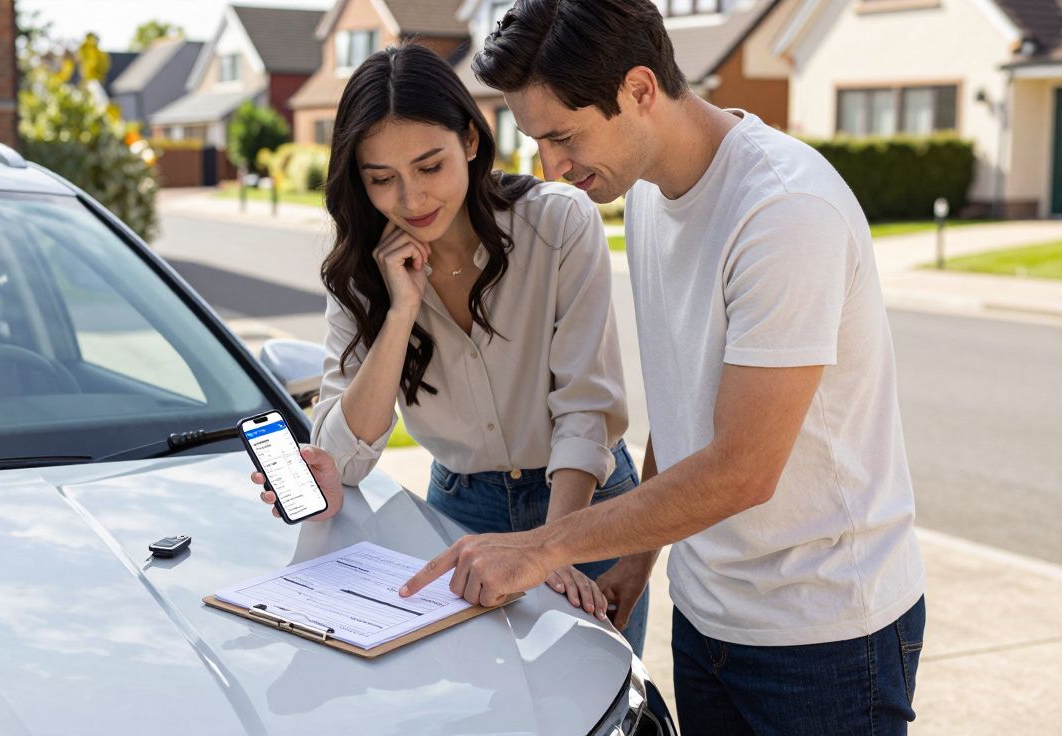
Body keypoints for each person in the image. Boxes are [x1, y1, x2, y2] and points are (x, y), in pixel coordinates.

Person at [304, 2, 927, 734]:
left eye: (563, 136)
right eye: (536, 140)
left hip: (821, 630)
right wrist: (640, 557)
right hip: (708, 613)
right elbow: (688, 405)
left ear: (638, 90)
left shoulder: (783, 211)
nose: (551, 167)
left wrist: (545, 546)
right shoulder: (652, 200)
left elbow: (742, 469)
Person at [251, 43, 649, 652]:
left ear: (470, 139)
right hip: (461, 513)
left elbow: (585, 410)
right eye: (382, 179)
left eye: (429, 166)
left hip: (582, 503)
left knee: (587, 702)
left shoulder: (558, 224)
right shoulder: (360, 273)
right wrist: (400, 310)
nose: (411, 200)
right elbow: (345, 461)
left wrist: (553, 546)